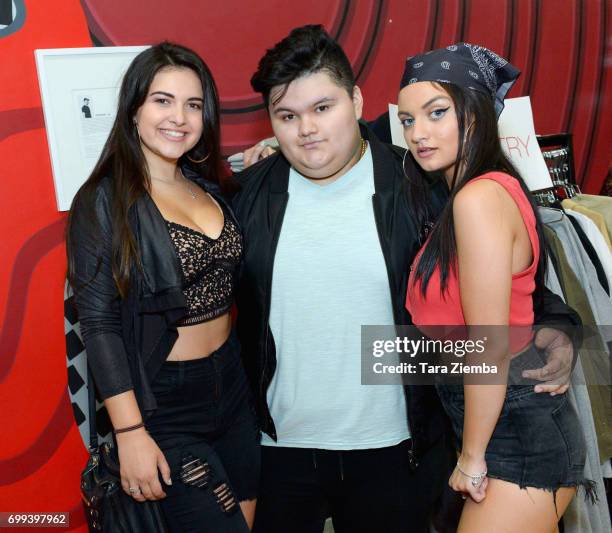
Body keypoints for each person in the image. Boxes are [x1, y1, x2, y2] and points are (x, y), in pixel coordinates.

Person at [232, 25, 581, 533]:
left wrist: (562, 328)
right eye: (287, 116)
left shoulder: (423, 185)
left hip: (399, 448)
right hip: (281, 448)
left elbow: (514, 289)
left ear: (355, 101)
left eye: (322, 108)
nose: (306, 128)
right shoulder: (244, 197)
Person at [66, 42, 259, 532]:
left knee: (248, 519)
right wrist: (130, 432)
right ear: (134, 110)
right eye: (162, 100)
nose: (180, 117)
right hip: (165, 403)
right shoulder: (104, 200)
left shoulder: (208, 186)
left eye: (193, 105)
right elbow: (99, 322)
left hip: (233, 385)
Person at [400, 44, 592, 531]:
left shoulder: (479, 198)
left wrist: (471, 457)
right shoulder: (472, 193)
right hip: (496, 424)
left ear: (476, 113)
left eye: (437, 112)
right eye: (406, 120)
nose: (418, 132)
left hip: (513, 434)